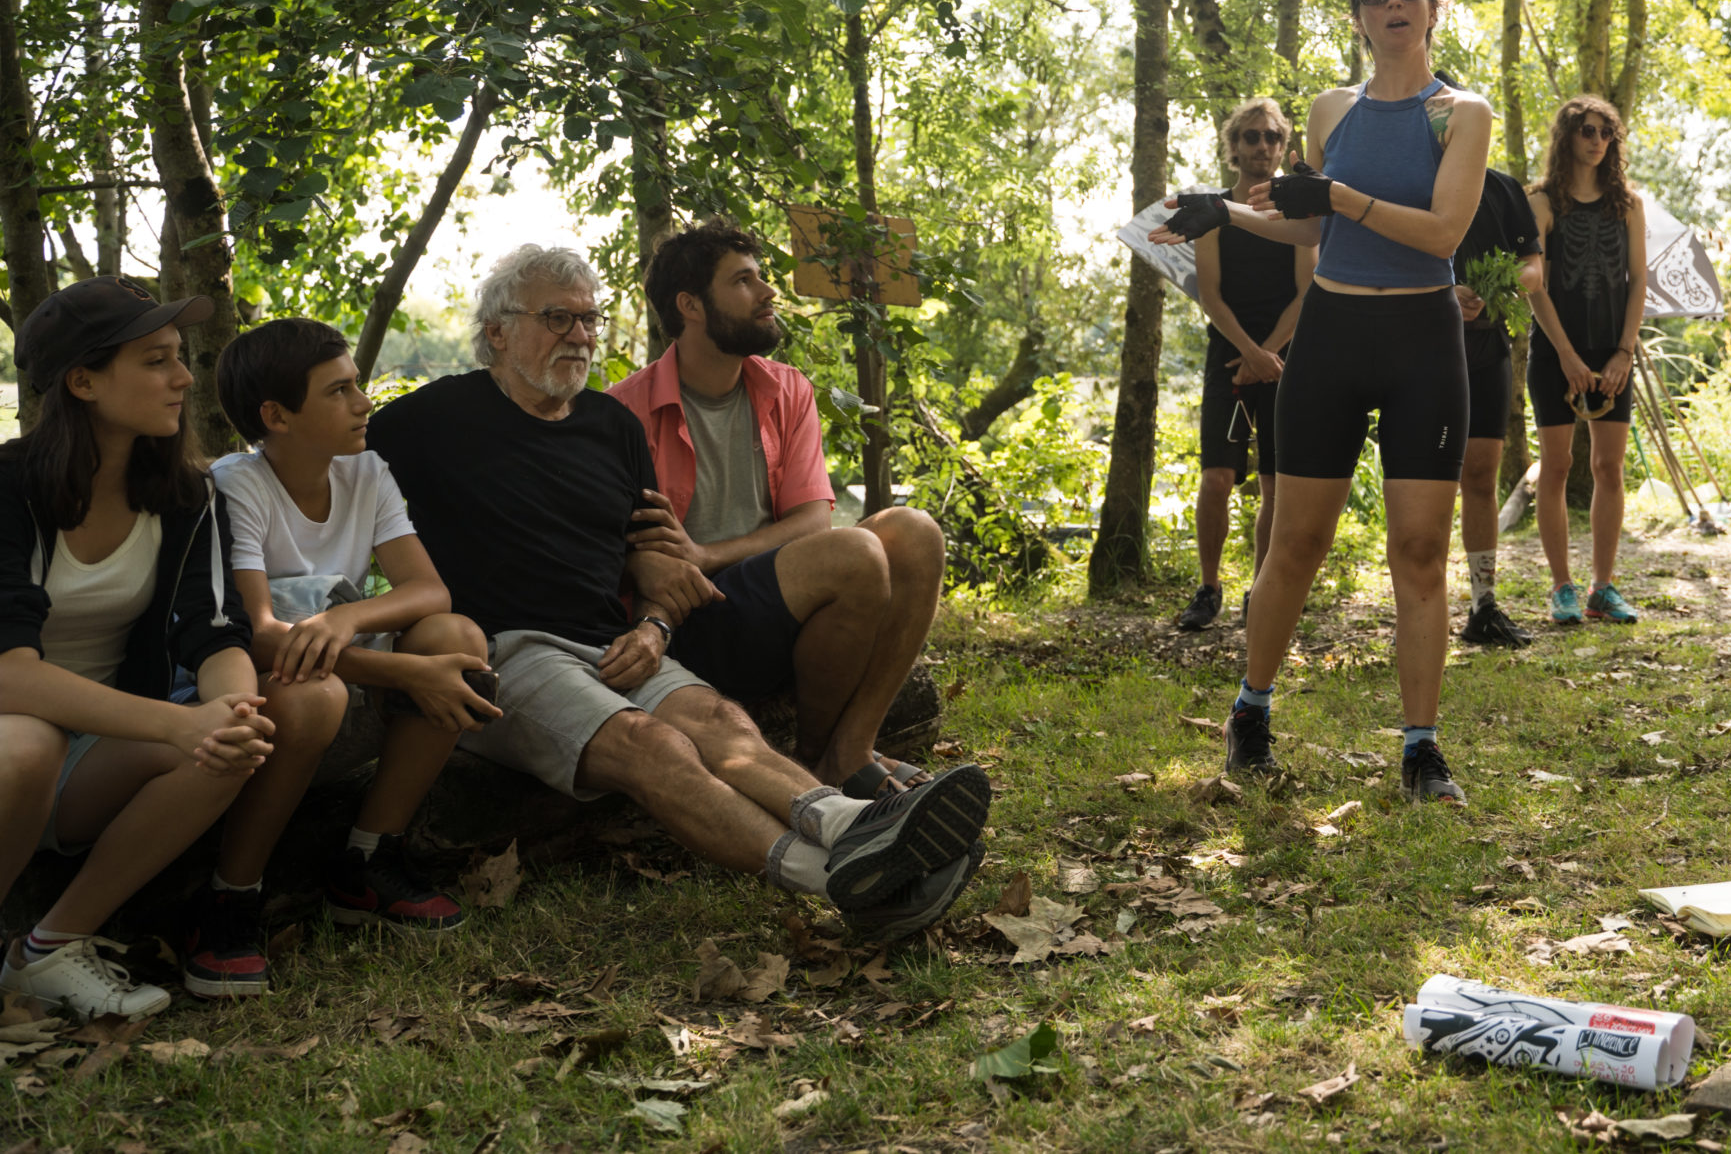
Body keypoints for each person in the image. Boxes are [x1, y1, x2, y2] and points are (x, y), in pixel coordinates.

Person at [370, 245, 990, 947]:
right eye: (556, 317)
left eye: (588, 318)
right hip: (508, 652)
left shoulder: (612, 428)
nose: (579, 333)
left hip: (621, 644)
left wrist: (658, 627)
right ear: (497, 333)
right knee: (654, 745)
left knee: (724, 723)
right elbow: (312, 472)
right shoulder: (428, 421)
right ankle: (841, 879)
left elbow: (657, 564)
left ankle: (851, 824)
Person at [1151, 0, 1490, 804]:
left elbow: (1443, 232)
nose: (1393, 1)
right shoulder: (1330, 110)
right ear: (1359, 12)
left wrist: (1336, 196)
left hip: (1421, 339)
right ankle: (1251, 713)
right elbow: (1311, 229)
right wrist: (1218, 211)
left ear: (1432, 3)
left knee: (1419, 552)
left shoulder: (1461, 114)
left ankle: (1421, 748)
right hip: (1333, 335)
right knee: (1295, 542)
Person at [0, 279, 316, 1018]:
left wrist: (230, 708)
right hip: (12, 743)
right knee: (28, 744)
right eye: (155, 360)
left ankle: (46, 951)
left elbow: (212, 628)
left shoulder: (186, 495)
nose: (182, 377)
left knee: (228, 743)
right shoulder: (7, 489)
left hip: (94, 755)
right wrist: (180, 720)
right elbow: (10, 674)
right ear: (82, 380)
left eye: (179, 357)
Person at [191, 318, 499, 993]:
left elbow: (429, 589)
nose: (364, 402)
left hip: (342, 673)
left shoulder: (365, 470)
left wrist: (346, 616)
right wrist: (405, 670)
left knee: (460, 639)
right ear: (277, 415)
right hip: (271, 706)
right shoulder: (235, 485)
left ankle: (367, 862)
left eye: (357, 384)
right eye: (339, 390)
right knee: (312, 691)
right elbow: (256, 633)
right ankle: (231, 894)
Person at [609, 221, 951, 798]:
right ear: (690, 305)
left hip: (771, 599)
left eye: (762, 277)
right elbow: (619, 551)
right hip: (685, 624)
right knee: (856, 552)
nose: (769, 292)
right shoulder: (622, 412)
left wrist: (706, 551)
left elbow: (813, 518)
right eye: (744, 281)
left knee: (915, 531)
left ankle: (848, 750)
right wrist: (681, 567)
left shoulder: (785, 388)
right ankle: (819, 760)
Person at [1172, 100, 1315, 631]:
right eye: (1252, 137)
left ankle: (1263, 591)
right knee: (1216, 479)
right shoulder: (1210, 210)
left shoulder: (1296, 210)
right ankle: (1208, 589)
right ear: (1234, 146)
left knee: (1275, 485)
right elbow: (1209, 293)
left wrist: (1269, 354)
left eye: (1272, 138)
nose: (1262, 147)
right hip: (1228, 356)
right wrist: (1249, 355)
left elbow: (1307, 291)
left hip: (1284, 359)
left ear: (1284, 147)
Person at [1525, 96, 1648, 628]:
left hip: (1612, 351)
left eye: (1605, 133)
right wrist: (1568, 358)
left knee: (1608, 467)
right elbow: (1534, 286)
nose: (1596, 140)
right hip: (1556, 351)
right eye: (1586, 131)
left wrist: (1624, 352)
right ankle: (1561, 588)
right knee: (1556, 466)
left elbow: (1639, 280)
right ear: (1568, 137)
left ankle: (1603, 585)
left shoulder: (1629, 204)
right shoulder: (1541, 201)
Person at [1449, 87, 1546, 650]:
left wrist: (1497, 286)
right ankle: (1420, 599)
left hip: (1488, 348)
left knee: (1481, 476)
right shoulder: (1408, 184)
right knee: (1428, 483)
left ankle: (1483, 606)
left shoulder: (1505, 188)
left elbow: (1533, 266)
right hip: (1421, 351)